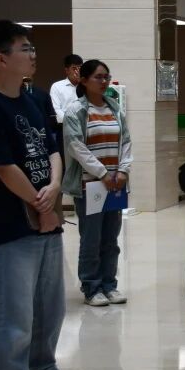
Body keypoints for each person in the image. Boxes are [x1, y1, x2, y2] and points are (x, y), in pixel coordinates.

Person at [0, 20, 87, 370]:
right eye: (24, 48)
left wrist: (54, 188)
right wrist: (42, 205)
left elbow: (52, 149)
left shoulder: (34, 97)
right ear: (1, 59)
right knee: (13, 309)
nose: (33, 54)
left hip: (46, 215)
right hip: (11, 222)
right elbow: (3, 167)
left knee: (49, 306)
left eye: (32, 47)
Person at [62, 59, 133, 307]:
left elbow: (126, 141)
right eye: (98, 77)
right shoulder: (76, 111)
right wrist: (102, 173)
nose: (104, 82)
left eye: (106, 77)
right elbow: (76, 146)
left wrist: (123, 171)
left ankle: (109, 285)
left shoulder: (114, 107)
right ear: (84, 80)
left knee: (111, 239)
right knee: (91, 239)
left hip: (115, 185)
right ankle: (91, 287)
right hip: (90, 184)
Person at [48, 53, 82, 128]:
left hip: (85, 126)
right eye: (74, 69)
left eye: (80, 68)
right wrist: (72, 122)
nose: (77, 71)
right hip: (64, 126)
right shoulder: (57, 86)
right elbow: (56, 109)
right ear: (67, 70)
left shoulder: (86, 86)